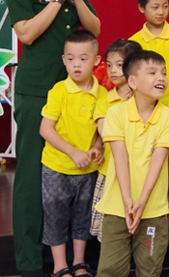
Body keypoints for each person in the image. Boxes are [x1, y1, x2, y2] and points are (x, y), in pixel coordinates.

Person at [6, 0, 100, 277]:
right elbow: (27, 33)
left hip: (76, 92)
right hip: (36, 91)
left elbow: (95, 28)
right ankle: (30, 260)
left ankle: (63, 258)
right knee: (32, 174)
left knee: (69, 178)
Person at [96, 50, 169, 277]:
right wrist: (126, 200)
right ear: (132, 81)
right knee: (110, 270)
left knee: (150, 269)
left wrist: (142, 201)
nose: (161, 78)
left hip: (153, 209)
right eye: (152, 72)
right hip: (116, 207)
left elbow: (158, 159)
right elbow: (119, 157)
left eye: (163, 72)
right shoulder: (115, 113)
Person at [39, 30, 107, 277]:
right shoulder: (59, 90)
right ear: (64, 60)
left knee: (83, 215)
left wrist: (97, 147)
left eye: (83, 58)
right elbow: (45, 129)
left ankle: (78, 263)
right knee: (56, 214)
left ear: (97, 60)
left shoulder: (102, 94)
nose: (76, 64)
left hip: (87, 168)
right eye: (71, 59)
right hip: (57, 166)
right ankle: (60, 266)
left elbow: (101, 129)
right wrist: (73, 152)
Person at [91, 39, 142, 242]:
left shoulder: (147, 99)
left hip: (139, 172)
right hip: (110, 172)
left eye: (119, 65)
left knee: (140, 223)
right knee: (109, 228)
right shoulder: (105, 99)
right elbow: (107, 132)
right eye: (109, 65)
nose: (112, 70)